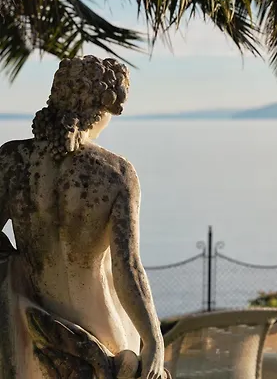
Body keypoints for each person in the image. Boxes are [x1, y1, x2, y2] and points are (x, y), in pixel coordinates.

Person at [0, 56, 165, 378]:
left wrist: (14, 266)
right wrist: (154, 339)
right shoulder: (116, 174)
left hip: (28, 330)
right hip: (104, 330)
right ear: (102, 109)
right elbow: (128, 267)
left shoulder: (11, 161)